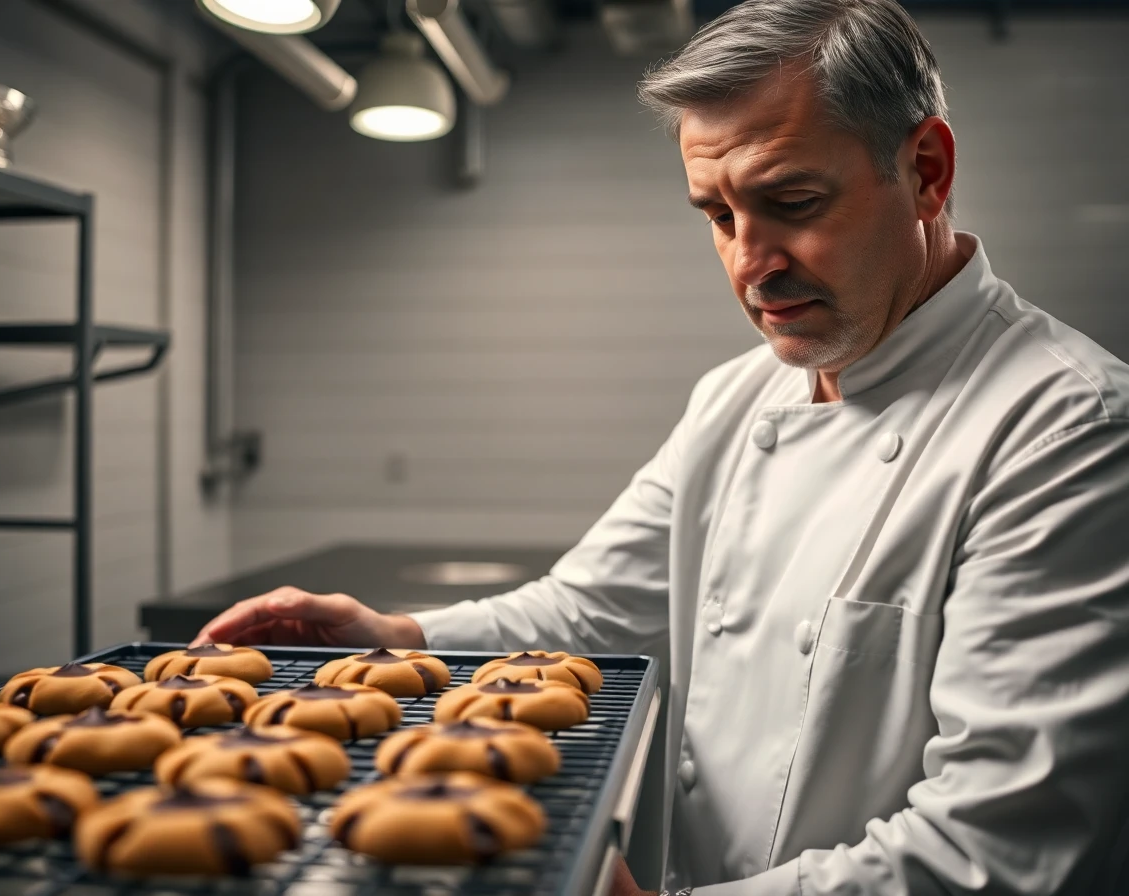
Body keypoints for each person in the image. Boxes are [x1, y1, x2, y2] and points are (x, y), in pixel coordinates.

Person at [192, 1, 1129, 893]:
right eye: (718, 217)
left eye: (793, 201)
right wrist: (400, 639)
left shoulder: (1066, 427)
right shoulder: (732, 400)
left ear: (925, 170)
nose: (749, 264)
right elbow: (586, 613)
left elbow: (1004, 848)